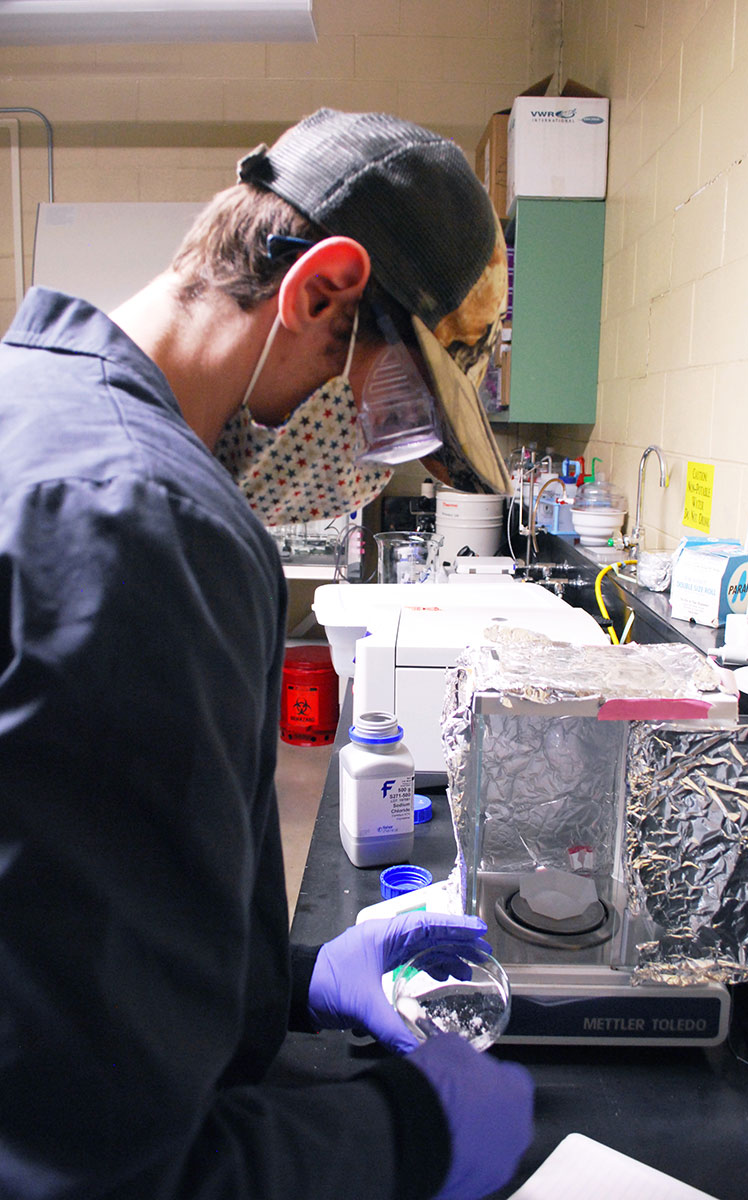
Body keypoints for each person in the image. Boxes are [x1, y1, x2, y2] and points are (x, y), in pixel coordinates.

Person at [0, 109, 534, 1199]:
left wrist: (286, 985)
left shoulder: (33, 409)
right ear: (322, 291)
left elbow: (57, 945)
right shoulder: (143, 522)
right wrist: (409, 1134)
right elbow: (92, 1172)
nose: (371, 465)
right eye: (388, 414)